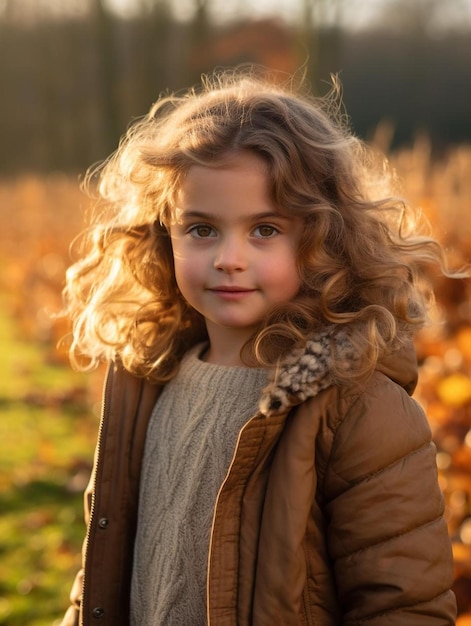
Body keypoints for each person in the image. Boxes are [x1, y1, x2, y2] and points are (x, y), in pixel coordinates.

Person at [60, 68, 457, 625]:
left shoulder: (354, 405)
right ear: (162, 232)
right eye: (201, 229)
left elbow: (403, 605)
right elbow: (102, 567)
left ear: (322, 236)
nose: (229, 258)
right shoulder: (147, 380)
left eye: (265, 229)